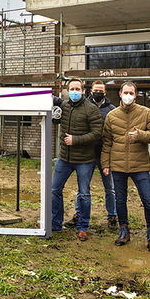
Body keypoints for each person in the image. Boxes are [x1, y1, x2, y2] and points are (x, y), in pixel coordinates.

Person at [102, 81, 150, 251]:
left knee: (148, 200)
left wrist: (140, 135)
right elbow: (107, 142)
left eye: (131, 93)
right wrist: (106, 163)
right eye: (125, 92)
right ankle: (124, 230)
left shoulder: (146, 113)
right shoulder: (112, 116)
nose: (128, 96)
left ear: (135, 95)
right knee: (120, 200)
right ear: (120, 94)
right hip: (118, 166)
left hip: (139, 165)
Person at [51, 78, 103, 241]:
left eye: (77, 89)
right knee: (54, 190)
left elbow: (97, 133)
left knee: (84, 194)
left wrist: (76, 140)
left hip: (85, 160)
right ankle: (56, 223)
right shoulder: (65, 106)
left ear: (83, 91)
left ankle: (83, 227)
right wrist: (54, 116)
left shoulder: (91, 109)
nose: (74, 91)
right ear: (67, 90)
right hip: (64, 158)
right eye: (71, 89)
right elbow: (56, 119)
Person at [64, 80, 118, 231]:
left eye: (101, 90)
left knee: (109, 187)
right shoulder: (83, 106)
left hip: (104, 153)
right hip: (86, 154)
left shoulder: (111, 110)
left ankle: (112, 215)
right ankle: (78, 214)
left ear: (105, 92)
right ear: (90, 91)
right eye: (95, 90)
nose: (98, 93)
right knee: (83, 187)